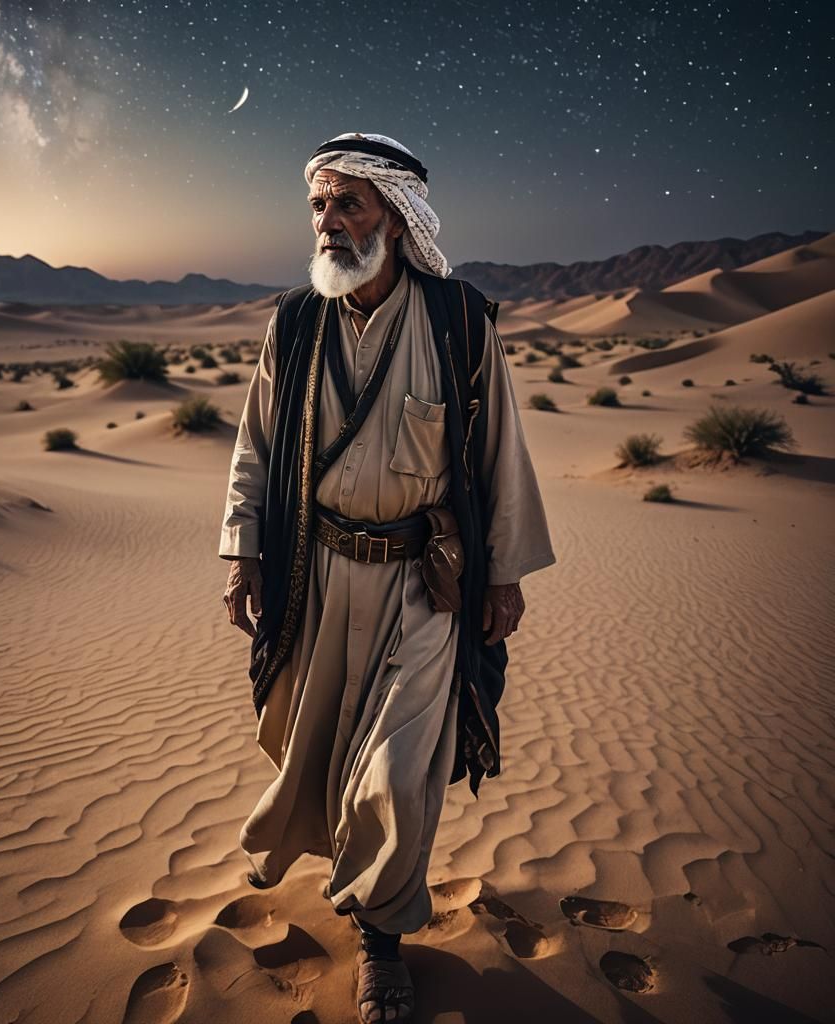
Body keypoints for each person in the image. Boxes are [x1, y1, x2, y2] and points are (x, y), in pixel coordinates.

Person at [219, 132, 556, 1023]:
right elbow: (254, 447)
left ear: (398, 220)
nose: (329, 223)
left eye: (350, 205)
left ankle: (382, 942)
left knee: (399, 774)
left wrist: (505, 575)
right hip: (316, 577)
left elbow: (500, 457)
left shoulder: (457, 320)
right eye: (319, 206)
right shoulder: (293, 321)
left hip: (425, 586)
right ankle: (357, 886)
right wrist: (242, 550)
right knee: (321, 751)